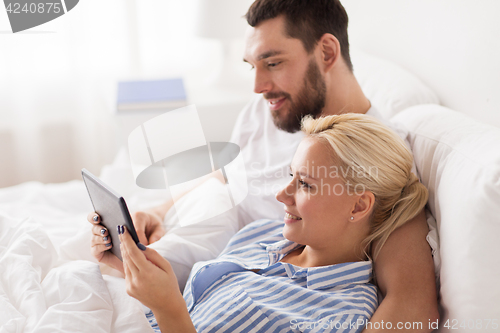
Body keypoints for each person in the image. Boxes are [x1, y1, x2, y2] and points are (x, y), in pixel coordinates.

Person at [89, 0, 439, 330]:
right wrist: (161, 210)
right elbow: (229, 175)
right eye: (252, 66)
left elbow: (411, 300)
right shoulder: (269, 112)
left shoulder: (380, 163)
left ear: (327, 52)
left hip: (246, 295)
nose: (258, 87)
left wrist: (169, 306)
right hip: (229, 264)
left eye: (273, 64)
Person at [111, 113, 429, 332]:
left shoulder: (341, 313)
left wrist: (169, 308)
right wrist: (126, 263)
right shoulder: (263, 234)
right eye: (291, 176)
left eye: (305, 184)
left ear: (359, 205)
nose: (281, 194)